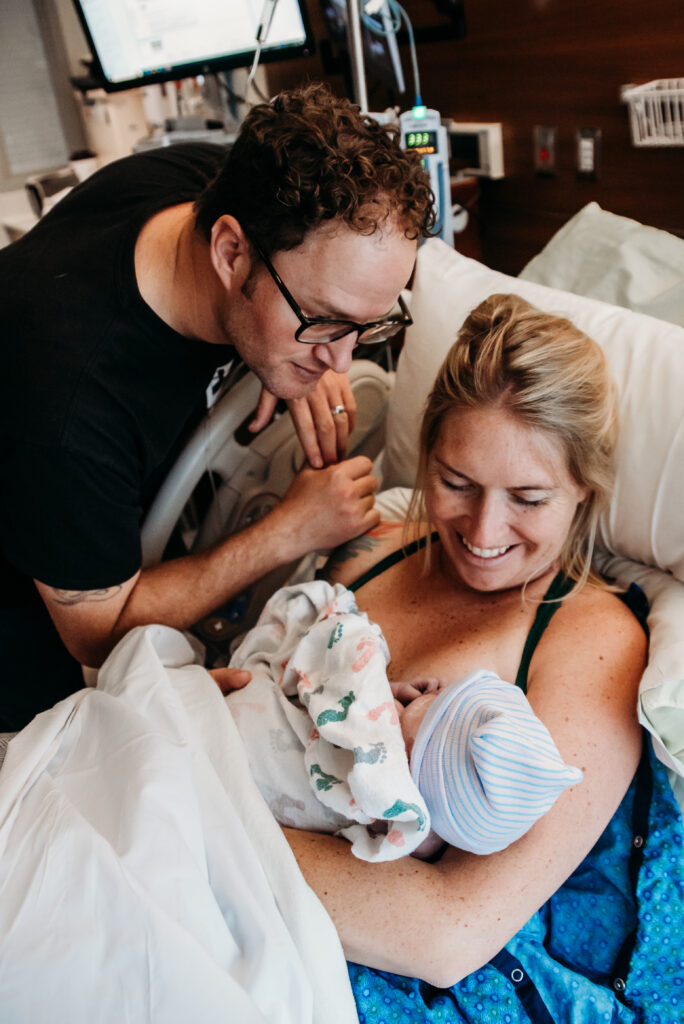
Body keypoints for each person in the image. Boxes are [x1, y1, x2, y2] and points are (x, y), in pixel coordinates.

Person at [282, 293, 684, 1022]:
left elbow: (449, 932)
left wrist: (198, 819)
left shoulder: (592, 641)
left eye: (528, 498)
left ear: (583, 492)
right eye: (456, 483)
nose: (482, 530)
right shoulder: (375, 549)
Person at [0, 82, 434, 731]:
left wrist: (298, 356)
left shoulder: (211, 182)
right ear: (231, 253)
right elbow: (95, 632)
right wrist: (290, 530)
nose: (343, 364)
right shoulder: (68, 404)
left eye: (365, 326)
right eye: (326, 321)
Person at [224, 577, 583, 862]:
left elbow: (344, 655)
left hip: (226, 730)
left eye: (441, 698)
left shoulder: (385, 731)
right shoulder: (411, 833)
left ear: (420, 746)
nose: (437, 687)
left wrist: (377, 679)